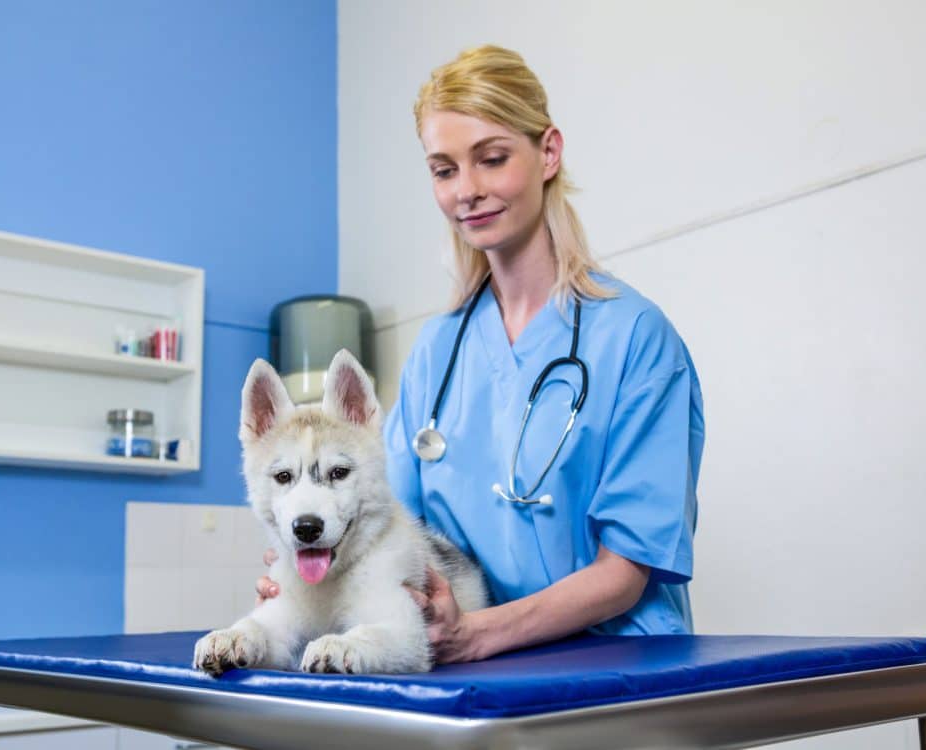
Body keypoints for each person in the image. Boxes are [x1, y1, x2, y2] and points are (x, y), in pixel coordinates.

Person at [257, 44, 704, 665]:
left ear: (548, 152)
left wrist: (478, 632)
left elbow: (627, 568)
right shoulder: (438, 352)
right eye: (444, 170)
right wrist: (320, 573)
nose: (467, 191)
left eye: (491, 159)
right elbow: (391, 531)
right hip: (473, 676)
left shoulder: (634, 338)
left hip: (614, 673)